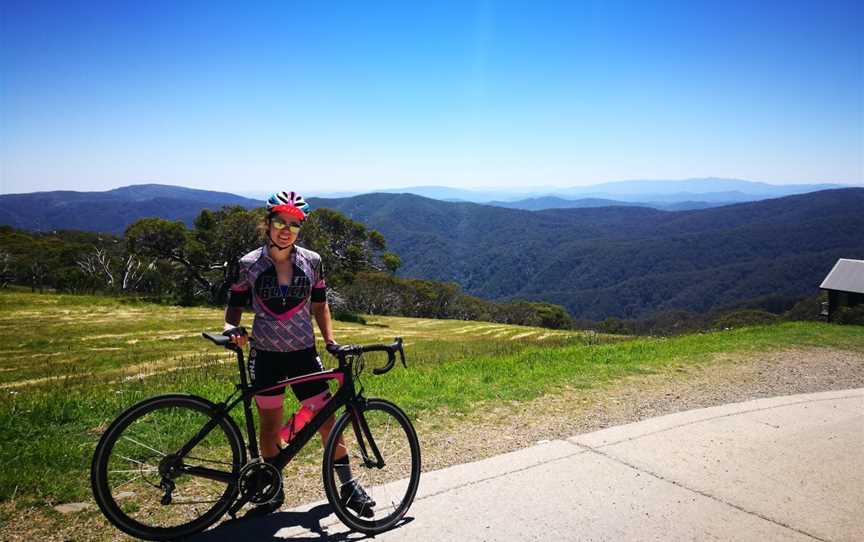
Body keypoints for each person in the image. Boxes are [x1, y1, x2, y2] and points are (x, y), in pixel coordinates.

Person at [223, 190, 374, 517]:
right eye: (280, 221)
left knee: (325, 420)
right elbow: (234, 305)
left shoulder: (313, 260)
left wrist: (330, 340)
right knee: (269, 426)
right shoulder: (249, 264)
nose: (286, 229)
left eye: (295, 224)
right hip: (265, 355)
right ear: (268, 223)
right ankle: (272, 487)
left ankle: (348, 486)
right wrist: (230, 328)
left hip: (305, 355)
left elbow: (320, 305)